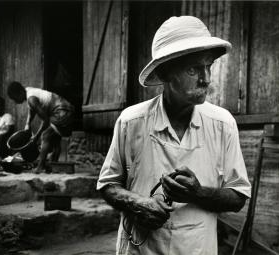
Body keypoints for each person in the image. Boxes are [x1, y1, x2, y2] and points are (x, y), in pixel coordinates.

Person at [97, 16, 251, 255]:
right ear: (166, 73)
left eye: (208, 66)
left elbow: (238, 196)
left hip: (197, 248)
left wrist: (197, 193)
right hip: (141, 249)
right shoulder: (132, 122)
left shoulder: (222, 124)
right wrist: (138, 204)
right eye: (193, 69)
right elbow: (108, 184)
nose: (206, 78)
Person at [7, 82, 74, 173]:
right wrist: (28, 124)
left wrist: (37, 136)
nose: (15, 102)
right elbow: (32, 109)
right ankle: (53, 165)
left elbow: (45, 120)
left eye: (15, 98)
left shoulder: (31, 99)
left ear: (19, 93)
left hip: (62, 111)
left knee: (45, 136)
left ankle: (40, 166)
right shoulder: (28, 91)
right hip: (65, 108)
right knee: (55, 139)